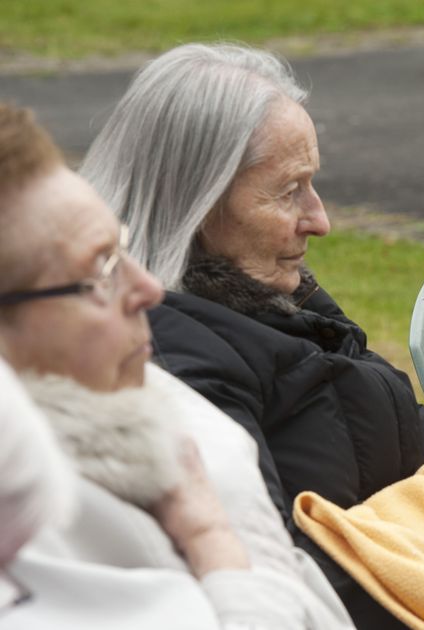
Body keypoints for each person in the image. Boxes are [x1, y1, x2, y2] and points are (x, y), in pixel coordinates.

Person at [79, 43, 424, 627]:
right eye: (290, 190)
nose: (320, 220)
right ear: (199, 201)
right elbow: (274, 569)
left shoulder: (281, 302)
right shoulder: (173, 361)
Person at [0, 102, 353, 629]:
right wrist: (215, 543)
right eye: (100, 270)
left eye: (121, 247)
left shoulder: (142, 392)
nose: (145, 288)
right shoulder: (39, 518)